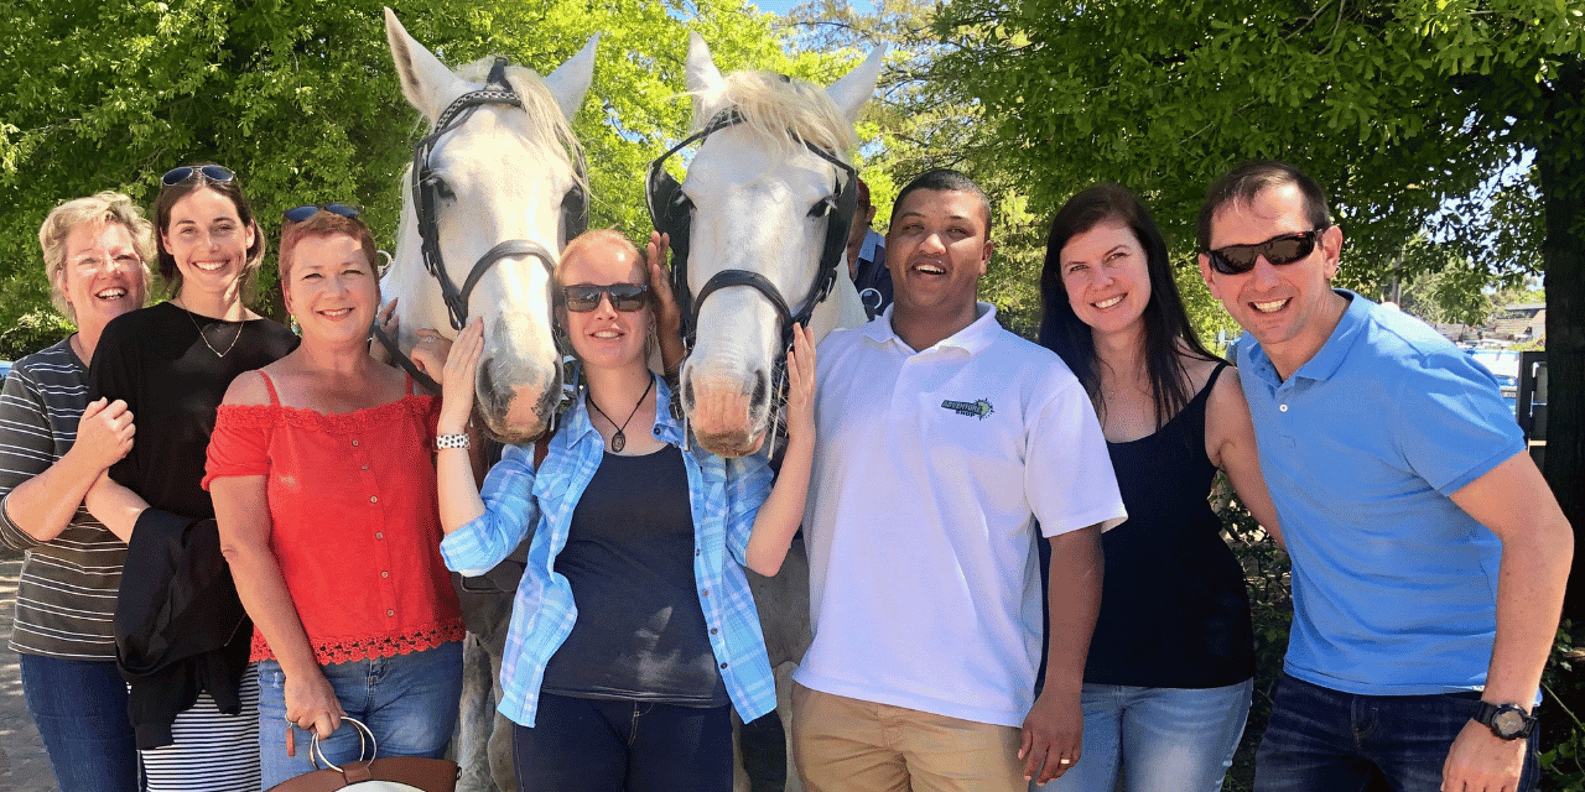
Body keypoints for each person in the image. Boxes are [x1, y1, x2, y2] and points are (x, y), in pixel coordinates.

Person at [1194, 160, 1572, 792]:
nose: (1262, 275)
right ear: (1210, 273)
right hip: (1315, 690)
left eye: (1286, 248)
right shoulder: (1251, 366)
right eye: (1235, 258)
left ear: (1329, 249)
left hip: (1453, 698)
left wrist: (1503, 719)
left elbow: (1542, 534)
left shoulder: (1410, 372)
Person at [435, 229, 815, 792]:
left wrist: (802, 431)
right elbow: (474, 549)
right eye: (583, 296)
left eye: (625, 294)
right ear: (560, 316)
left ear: (651, 304)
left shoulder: (702, 426)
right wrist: (451, 423)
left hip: (691, 700)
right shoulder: (545, 436)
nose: (605, 311)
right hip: (563, 703)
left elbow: (762, 552)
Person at [791, 168, 1128, 791]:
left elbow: (1078, 548)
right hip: (837, 696)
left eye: (956, 231)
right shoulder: (830, 361)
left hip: (976, 711)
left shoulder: (1037, 380)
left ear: (986, 254)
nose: (931, 245)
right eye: (913, 228)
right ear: (886, 246)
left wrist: (1060, 695)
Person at [203, 206, 467, 786]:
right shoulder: (256, 398)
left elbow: (464, 516)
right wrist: (302, 673)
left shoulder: (418, 396)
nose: (335, 290)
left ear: (377, 285)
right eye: (313, 275)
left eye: (352, 271)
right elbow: (242, 546)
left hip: (425, 672)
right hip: (306, 673)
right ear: (289, 298)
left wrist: (458, 397)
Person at [1033, 184, 1282, 792]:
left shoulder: (1217, 390)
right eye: (1079, 267)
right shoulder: (1033, 386)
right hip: (1065, 673)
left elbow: (1294, 529)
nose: (1101, 280)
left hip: (1193, 670)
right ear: (1061, 285)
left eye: (1117, 257)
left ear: (1151, 263)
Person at [85, 164, 300, 792]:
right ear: (166, 242)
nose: (209, 246)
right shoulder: (131, 341)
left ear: (252, 235)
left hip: (282, 615)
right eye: (189, 230)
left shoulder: (288, 348)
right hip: (178, 615)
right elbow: (96, 482)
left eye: (223, 226)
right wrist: (189, 550)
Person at [0, 192, 151, 792]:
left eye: (124, 256)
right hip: (72, 652)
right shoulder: (36, 381)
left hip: (181, 643)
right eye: (88, 260)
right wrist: (86, 458)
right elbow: (14, 531)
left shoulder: (184, 367)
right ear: (62, 284)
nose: (110, 271)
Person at [845, 177, 891, 320]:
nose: (843, 219)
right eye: (836, 211)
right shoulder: (823, 256)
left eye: (852, 209)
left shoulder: (889, 260)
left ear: (869, 214)